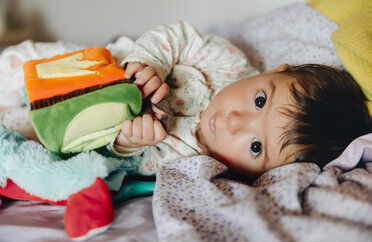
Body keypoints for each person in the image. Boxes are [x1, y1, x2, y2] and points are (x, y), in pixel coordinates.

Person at [1, 21, 371, 178]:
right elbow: (177, 36)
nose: (235, 122)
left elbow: (124, 163)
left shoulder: (192, 162)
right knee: (19, 61)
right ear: (275, 69)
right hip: (99, 67)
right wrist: (149, 65)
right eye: (260, 101)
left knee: (21, 134)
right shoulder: (226, 62)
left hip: (83, 124)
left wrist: (129, 141)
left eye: (256, 147)